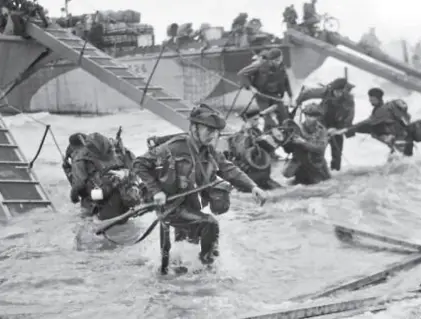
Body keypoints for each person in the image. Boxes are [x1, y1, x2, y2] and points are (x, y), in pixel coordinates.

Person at [133, 104, 267, 273]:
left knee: (187, 250)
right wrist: (156, 191)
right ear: (194, 128)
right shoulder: (173, 147)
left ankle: (184, 275)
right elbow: (139, 164)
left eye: (215, 131)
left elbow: (228, 169)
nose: (212, 135)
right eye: (208, 130)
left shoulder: (208, 151)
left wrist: (252, 186)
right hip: (171, 207)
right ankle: (208, 268)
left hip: (191, 205)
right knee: (209, 223)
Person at [338, 88, 421, 157]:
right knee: (401, 164)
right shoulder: (387, 109)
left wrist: (346, 129)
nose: (370, 100)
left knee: (401, 165)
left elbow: (367, 123)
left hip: (401, 141)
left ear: (377, 98)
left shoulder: (383, 110)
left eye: (372, 98)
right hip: (404, 140)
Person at [70, 133, 140, 219]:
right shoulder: (120, 151)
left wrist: (74, 196)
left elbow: (79, 185)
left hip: (101, 205)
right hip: (125, 201)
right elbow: (136, 168)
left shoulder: (79, 159)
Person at [295, 77, 355, 171]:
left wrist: (338, 130)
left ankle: (335, 170)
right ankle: (314, 168)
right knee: (317, 147)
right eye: (336, 91)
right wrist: (297, 101)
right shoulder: (326, 91)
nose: (338, 94)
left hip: (337, 125)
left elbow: (349, 118)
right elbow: (307, 93)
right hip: (322, 122)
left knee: (337, 151)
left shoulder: (349, 99)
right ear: (333, 89)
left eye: (340, 92)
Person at [225, 107, 282, 190]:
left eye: (258, 119)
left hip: (263, 173)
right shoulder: (240, 135)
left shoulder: (257, 131)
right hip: (250, 175)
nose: (258, 122)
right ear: (247, 120)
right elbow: (240, 152)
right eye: (255, 119)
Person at [238, 47, 293, 132]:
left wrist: (290, 96)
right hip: (262, 94)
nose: (278, 62)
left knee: (284, 116)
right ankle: (269, 133)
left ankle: (285, 133)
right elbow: (242, 74)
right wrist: (251, 87)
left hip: (275, 94)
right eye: (276, 60)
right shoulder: (260, 65)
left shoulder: (281, 67)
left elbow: (286, 81)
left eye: (280, 60)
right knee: (267, 117)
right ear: (271, 60)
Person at [282, 103, 330, 185]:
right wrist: (286, 140)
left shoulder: (322, 130)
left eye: (313, 116)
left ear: (317, 117)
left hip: (316, 167)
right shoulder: (297, 129)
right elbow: (288, 150)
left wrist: (303, 142)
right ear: (305, 116)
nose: (310, 119)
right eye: (308, 116)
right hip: (301, 166)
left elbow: (320, 149)